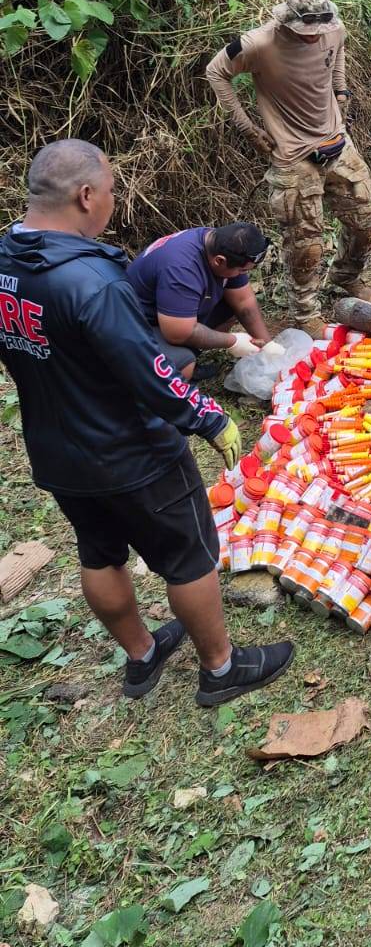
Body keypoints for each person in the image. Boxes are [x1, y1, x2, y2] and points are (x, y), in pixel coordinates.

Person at [0, 141, 294, 706]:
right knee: (188, 555)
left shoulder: (8, 264)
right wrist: (208, 417)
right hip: (130, 450)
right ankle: (221, 668)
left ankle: (142, 655)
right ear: (87, 197)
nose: (112, 201)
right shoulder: (92, 282)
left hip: (56, 447)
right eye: (110, 191)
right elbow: (150, 370)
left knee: (98, 551)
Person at [205, 0, 371, 334]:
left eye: (320, 28)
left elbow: (338, 49)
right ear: (287, 21)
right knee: (305, 245)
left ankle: (347, 276)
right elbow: (215, 72)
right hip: (293, 157)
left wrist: (341, 92)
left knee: (366, 223)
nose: (314, 35)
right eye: (306, 30)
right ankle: (304, 314)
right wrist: (249, 130)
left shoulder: (333, 28)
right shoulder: (259, 43)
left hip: (337, 142)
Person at [127, 223, 272, 378]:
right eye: (242, 270)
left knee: (232, 307)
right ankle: (171, 375)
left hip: (169, 315)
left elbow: (244, 303)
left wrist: (269, 347)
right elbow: (177, 333)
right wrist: (233, 341)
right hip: (136, 326)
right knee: (183, 364)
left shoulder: (222, 243)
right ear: (219, 261)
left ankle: (189, 352)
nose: (243, 274)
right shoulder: (182, 269)